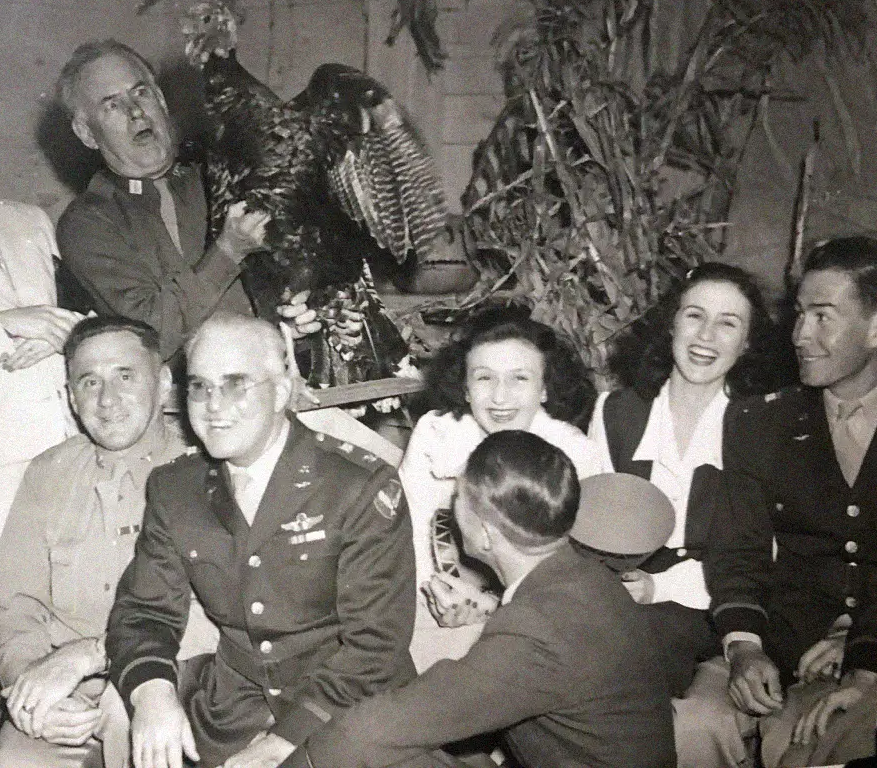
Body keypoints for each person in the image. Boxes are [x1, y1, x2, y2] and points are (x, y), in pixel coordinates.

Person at [105, 313, 416, 768]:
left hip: (348, 713)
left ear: (283, 390)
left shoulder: (358, 485)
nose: (213, 405)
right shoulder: (176, 488)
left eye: (235, 384)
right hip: (231, 715)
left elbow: (375, 648)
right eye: (200, 386)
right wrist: (152, 693)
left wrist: (287, 740)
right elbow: (145, 612)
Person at [284, 431, 677, 768]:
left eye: (458, 498)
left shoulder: (537, 630)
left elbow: (379, 728)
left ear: (487, 537)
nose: (451, 507)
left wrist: (295, 757)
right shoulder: (582, 574)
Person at [677, 236, 877, 768]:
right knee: (691, 727)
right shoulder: (758, 421)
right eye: (798, 315)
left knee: (809, 742)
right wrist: (743, 648)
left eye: (822, 317)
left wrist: (866, 657)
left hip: (870, 659)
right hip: (774, 643)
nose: (799, 336)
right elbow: (737, 550)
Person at [0, 316, 218, 768]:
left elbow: (227, 614)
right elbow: (12, 605)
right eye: (89, 382)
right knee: (12, 761)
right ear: (70, 397)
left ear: (164, 382)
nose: (107, 400)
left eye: (125, 376)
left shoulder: (206, 468)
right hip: (69, 694)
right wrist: (34, 687)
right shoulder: (49, 472)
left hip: (181, 678)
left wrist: (103, 663)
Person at [54, 40, 318, 364]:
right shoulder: (89, 223)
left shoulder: (228, 175)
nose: (135, 112)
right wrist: (228, 252)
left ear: (161, 100)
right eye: (112, 105)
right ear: (87, 133)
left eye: (141, 93)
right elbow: (152, 334)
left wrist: (291, 324)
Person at [587, 262, 778, 696]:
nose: (706, 336)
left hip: (714, 609)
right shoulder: (616, 412)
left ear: (747, 342)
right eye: (694, 315)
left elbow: (757, 556)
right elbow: (590, 524)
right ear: (671, 323)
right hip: (620, 598)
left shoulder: (760, 424)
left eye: (727, 323)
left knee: (640, 647)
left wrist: (659, 587)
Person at [398, 307, 602, 672]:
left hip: (535, 615)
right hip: (436, 599)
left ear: (544, 388)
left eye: (519, 379)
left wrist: (488, 605)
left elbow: (577, 570)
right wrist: (440, 595)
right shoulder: (436, 433)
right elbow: (411, 532)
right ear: (464, 386)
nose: (499, 397)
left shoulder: (573, 452)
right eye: (484, 378)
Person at [0, 183, 85, 749]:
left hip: (62, 475)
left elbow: (84, 316)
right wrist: (1, 326)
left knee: (57, 681)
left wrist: (63, 334)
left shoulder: (27, 217)